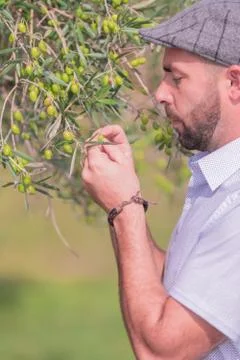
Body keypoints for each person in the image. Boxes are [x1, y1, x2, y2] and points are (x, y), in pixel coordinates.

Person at [81, 0, 240, 358]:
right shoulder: (220, 181)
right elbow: (181, 285)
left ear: (234, 82)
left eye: (176, 77)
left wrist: (124, 209)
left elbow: (161, 351)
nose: (160, 93)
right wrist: (124, 197)